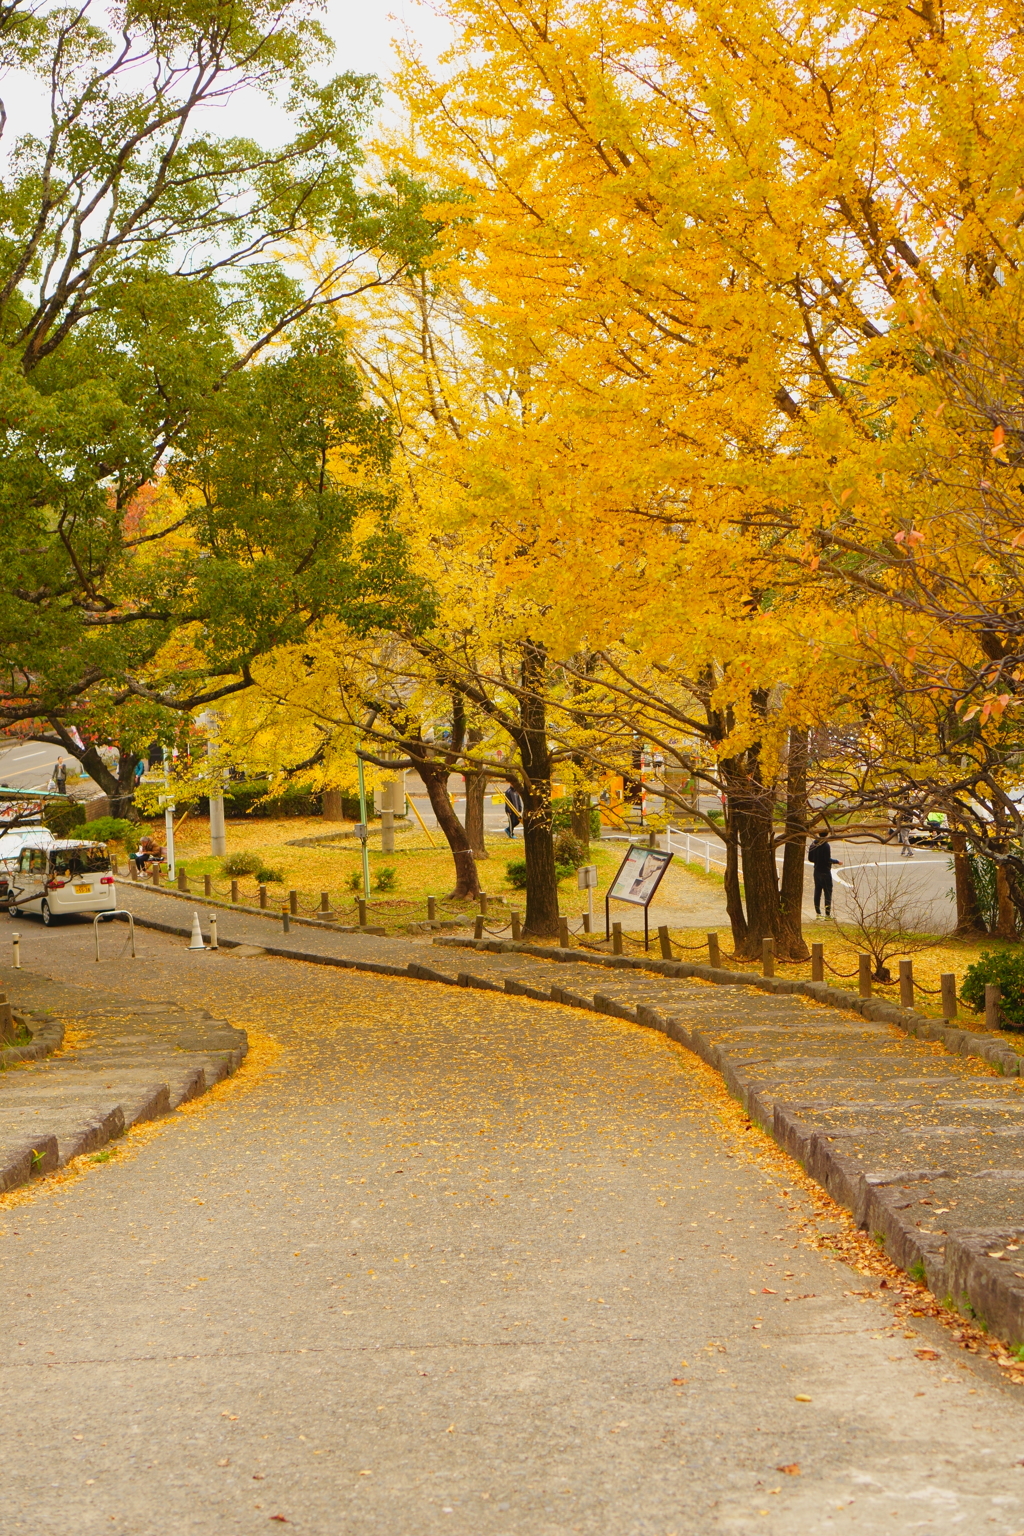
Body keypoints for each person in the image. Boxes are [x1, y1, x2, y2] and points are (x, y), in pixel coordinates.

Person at [808, 835, 841, 917]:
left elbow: (810, 858)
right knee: (827, 892)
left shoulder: (813, 844)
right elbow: (827, 859)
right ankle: (827, 913)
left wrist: (817, 860)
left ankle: (818, 911)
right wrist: (837, 861)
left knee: (817, 890)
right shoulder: (826, 845)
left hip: (816, 870)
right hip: (825, 871)